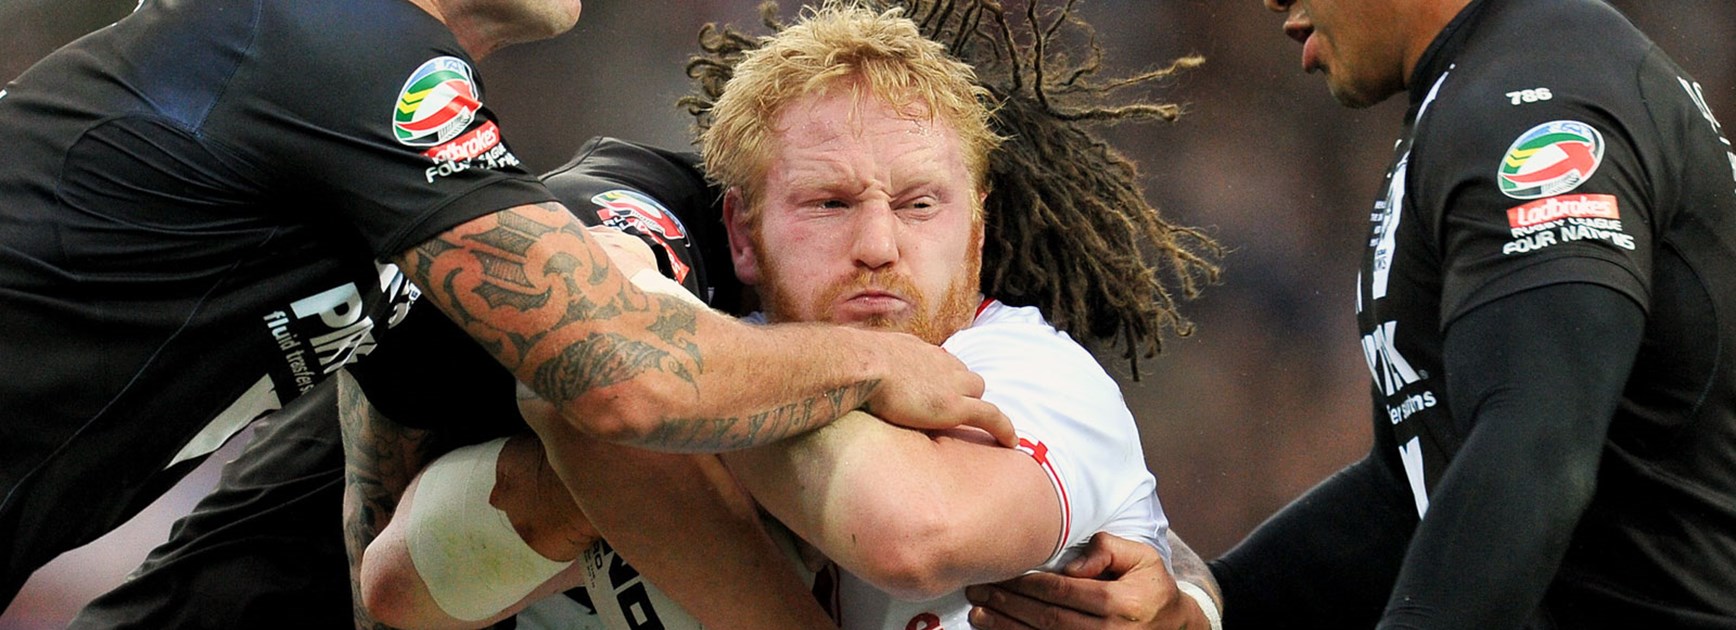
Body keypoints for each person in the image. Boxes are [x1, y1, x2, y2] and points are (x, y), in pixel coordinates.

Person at [0, 0, 1019, 619]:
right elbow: (624, 378)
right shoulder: (339, 33)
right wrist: (870, 364)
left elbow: (396, 427)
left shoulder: (361, 120)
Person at [352, 2, 1232, 629]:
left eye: (922, 204)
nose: (879, 244)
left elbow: (912, 532)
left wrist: (659, 413)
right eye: (828, 204)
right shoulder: (677, 336)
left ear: (978, 228)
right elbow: (397, 586)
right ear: (740, 232)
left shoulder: (1029, 369)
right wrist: (612, 456)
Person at [968, 0, 1736, 628]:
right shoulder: (1481, 89)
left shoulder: (1539, 96)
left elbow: (1534, 450)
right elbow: (1416, 491)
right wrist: (1208, 603)